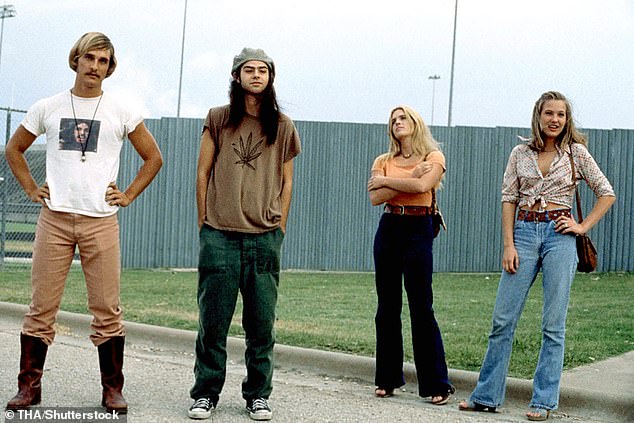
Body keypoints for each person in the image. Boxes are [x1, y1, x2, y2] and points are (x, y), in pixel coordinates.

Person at [4, 32, 163, 414]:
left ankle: (112, 390)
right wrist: (31, 188)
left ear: (110, 68)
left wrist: (128, 194)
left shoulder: (121, 109)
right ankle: (29, 387)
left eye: (103, 61)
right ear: (76, 59)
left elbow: (153, 158)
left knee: (107, 308)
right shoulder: (48, 106)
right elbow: (14, 149)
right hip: (55, 219)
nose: (94, 66)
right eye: (89, 58)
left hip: (101, 221)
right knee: (41, 307)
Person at [458, 91, 615, 421]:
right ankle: (486, 396)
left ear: (567, 119)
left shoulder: (576, 153)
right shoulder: (520, 153)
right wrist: (508, 245)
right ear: (538, 116)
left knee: (553, 324)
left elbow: (606, 192)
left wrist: (582, 226)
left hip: (560, 236)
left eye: (561, 114)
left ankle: (543, 401)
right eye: (549, 113)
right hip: (524, 234)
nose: (555, 119)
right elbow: (508, 199)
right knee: (502, 319)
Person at [188, 47, 301, 421]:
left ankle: (258, 395)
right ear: (236, 76)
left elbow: (287, 180)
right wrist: (204, 221)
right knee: (213, 323)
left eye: (262, 70)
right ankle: (205, 394)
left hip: (264, 236)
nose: (256, 75)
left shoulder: (282, 124)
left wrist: (280, 226)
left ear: (270, 77)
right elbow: (203, 171)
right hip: (220, 234)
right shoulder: (219, 118)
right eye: (248, 69)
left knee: (261, 325)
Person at [367, 105, 454, 406]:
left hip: (418, 227)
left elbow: (422, 185)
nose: (397, 122)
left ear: (416, 123)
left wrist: (387, 181)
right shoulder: (382, 160)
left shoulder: (433, 157)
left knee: (421, 305)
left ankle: (436, 383)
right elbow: (375, 197)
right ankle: (387, 378)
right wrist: (403, 179)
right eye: (393, 120)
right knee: (387, 305)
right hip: (389, 226)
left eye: (403, 118)